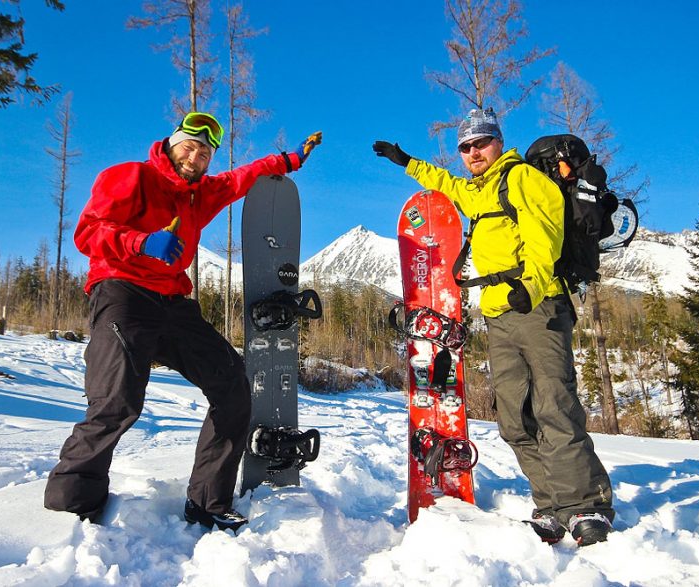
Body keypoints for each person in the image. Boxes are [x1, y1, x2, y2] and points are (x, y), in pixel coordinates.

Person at [44, 111, 322, 532]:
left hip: (173, 303)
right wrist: (141, 242)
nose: (196, 157)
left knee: (232, 384)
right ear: (171, 146)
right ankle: (72, 508)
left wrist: (290, 160)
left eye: (205, 152)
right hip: (123, 292)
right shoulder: (130, 176)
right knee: (116, 401)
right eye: (189, 148)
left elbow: (242, 178)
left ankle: (208, 502)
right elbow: (88, 233)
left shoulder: (199, 194)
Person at [373, 108, 614, 546]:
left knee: (554, 407)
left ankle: (585, 504)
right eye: (465, 147)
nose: (472, 152)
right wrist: (407, 161)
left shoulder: (522, 178)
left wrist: (532, 285)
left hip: (538, 306)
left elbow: (546, 236)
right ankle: (550, 504)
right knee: (514, 417)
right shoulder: (478, 191)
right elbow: (444, 184)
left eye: (480, 143)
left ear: (497, 142)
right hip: (500, 314)